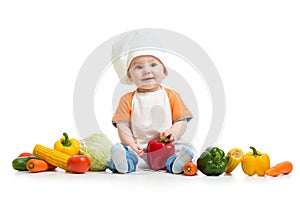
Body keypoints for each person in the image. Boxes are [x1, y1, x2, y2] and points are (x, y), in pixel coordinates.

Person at [108, 31, 195, 174]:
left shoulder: (172, 95)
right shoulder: (127, 99)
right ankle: (125, 162)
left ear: (164, 71)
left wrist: (173, 132)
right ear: (129, 76)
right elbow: (122, 126)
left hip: (167, 146)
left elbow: (181, 121)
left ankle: (176, 162)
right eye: (138, 67)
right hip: (139, 149)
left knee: (184, 148)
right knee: (124, 151)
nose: (147, 71)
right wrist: (131, 143)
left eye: (153, 65)